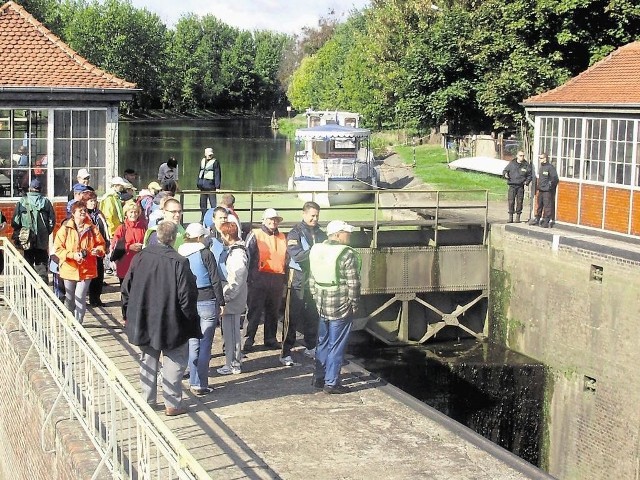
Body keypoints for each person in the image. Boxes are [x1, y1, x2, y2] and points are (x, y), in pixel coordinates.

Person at [121, 221, 201, 416]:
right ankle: (172, 403)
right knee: (174, 361)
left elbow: (126, 288)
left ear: (156, 235)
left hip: (144, 318)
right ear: (174, 238)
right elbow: (187, 296)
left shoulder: (140, 257)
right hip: (172, 320)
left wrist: (127, 314)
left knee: (148, 359)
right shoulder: (179, 262)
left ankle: (147, 399)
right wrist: (190, 321)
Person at [309, 220, 361, 394]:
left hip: (322, 304)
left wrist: (316, 298)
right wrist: (354, 303)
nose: (350, 235)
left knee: (322, 342)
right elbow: (354, 283)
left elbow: (312, 277)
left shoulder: (317, 250)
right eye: (347, 232)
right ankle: (332, 383)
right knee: (336, 344)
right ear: (338, 234)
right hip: (340, 306)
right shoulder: (346, 254)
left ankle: (319, 377)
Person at [178, 223, 224, 394]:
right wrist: (221, 302)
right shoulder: (205, 253)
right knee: (205, 344)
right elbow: (215, 279)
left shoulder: (180, 253)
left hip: (188, 301)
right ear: (199, 237)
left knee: (192, 343)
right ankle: (200, 383)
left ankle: (192, 380)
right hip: (206, 300)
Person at [280, 201, 326, 366]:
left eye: (317, 216)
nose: (314, 218)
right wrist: (317, 252)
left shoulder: (321, 233)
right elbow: (297, 255)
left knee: (312, 315)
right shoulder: (295, 233)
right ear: (304, 214)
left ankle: (311, 346)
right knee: (292, 316)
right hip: (298, 278)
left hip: (314, 278)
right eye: (312, 215)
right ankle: (285, 352)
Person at [54, 201, 106, 324]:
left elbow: (101, 245)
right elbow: (58, 249)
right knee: (70, 297)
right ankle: (69, 320)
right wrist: (73, 255)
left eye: (84, 210)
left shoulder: (92, 228)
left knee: (80, 296)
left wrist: (97, 251)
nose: (83, 212)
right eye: (80, 210)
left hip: (87, 267)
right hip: (69, 267)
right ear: (73, 213)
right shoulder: (65, 229)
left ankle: (78, 325)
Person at [243, 208, 287, 352]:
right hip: (258, 280)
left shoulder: (282, 236)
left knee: (273, 312)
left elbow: (286, 258)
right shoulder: (255, 234)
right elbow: (246, 256)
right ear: (264, 220)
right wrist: (248, 278)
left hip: (277, 280)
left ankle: (270, 339)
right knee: (254, 312)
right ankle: (247, 340)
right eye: (270, 219)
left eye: (275, 219)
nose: (273, 222)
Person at [216, 221, 248, 375]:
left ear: (227, 235)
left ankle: (234, 364)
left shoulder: (237, 253)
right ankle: (232, 362)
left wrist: (227, 296)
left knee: (233, 332)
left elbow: (237, 278)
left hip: (233, 298)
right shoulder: (234, 250)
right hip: (231, 295)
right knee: (229, 332)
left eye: (222, 234)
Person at [11, 178, 56, 283]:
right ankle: (43, 283)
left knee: (28, 260)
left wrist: (20, 231)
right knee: (42, 261)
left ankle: (29, 284)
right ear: (40, 189)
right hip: (42, 236)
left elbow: (15, 221)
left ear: (30, 188)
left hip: (26, 237)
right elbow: (52, 220)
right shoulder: (46, 202)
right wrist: (46, 231)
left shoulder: (22, 201)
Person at [84, 190, 109, 307]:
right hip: (87, 250)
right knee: (89, 275)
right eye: (90, 201)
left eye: (94, 201)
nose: (93, 203)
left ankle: (96, 298)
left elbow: (105, 229)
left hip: (99, 248)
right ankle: (87, 298)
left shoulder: (99, 214)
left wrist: (107, 244)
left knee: (99, 274)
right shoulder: (83, 215)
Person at [110, 201, 146, 284]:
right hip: (124, 264)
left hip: (139, 264)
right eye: (131, 212)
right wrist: (129, 246)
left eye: (136, 212)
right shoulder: (121, 228)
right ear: (126, 214)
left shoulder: (143, 227)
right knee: (125, 293)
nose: (134, 214)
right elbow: (114, 245)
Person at [529, 153, 559, 228]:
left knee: (547, 206)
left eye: (541, 158)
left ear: (545, 158)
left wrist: (549, 186)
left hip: (547, 191)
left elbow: (555, 179)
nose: (540, 160)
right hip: (541, 190)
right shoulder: (541, 167)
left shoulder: (550, 167)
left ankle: (546, 221)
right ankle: (537, 219)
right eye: (539, 158)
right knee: (539, 205)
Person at [502, 150, 532, 223]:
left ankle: (518, 217)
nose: (522, 157)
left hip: (520, 186)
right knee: (511, 201)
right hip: (512, 185)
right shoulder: (512, 163)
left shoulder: (526, 165)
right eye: (520, 155)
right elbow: (505, 170)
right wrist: (505, 174)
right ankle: (510, 217)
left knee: (519, 201)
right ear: (517, 156)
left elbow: (529, 175)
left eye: (523, 156)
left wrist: (526, 182)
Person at [197, 148, 221, 220]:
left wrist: (217, 187)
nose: (210, 156)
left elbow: (217, 174)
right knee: (202, 204)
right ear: (205, 154)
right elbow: (200, 172)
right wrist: (198, 183)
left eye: (211, 154)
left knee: (213, 204)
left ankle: (214, 218)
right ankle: (203, 218)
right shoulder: (203, 161)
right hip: (202, 186)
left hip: (211, 186)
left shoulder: (215, 162)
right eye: (208, 154)